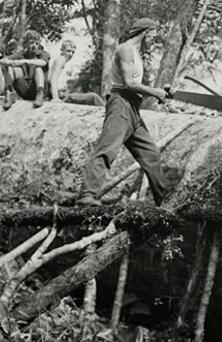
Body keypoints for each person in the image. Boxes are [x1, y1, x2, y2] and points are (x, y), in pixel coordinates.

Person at [76, 18, 172, 207]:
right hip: (121, 104)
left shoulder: (136, 54)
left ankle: (166, 202)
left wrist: (162, 91)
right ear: (146, 32)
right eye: (153, 35)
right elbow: (129, 83)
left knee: (151, 154)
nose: (154, 40)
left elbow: (136, 86)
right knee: (107, 148)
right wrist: (155, 92)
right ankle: (86, 196)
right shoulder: (125, 49)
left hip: (133, 108)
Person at [0, 30, 50, 109]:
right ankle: (9, 93)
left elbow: (43, 62)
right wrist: (11, 63)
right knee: (10, 68)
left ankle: (40, 94)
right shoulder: (21, 54)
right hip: (24, 89)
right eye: (31, 43)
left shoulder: (42, 53)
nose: (34, 46)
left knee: (38, 68)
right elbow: (2, 60)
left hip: (36, 87)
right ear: (26, 43)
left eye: (36, 43)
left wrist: (25, 61)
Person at [48, 40, 104, 106]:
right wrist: (55, 98)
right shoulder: (61, 59)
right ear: (61, 50)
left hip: (63, 93)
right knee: (93, 97)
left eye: (73, 52)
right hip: (61, 94)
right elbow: (53, 78)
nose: (70, 54)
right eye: (68, 51)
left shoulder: (60, 60)